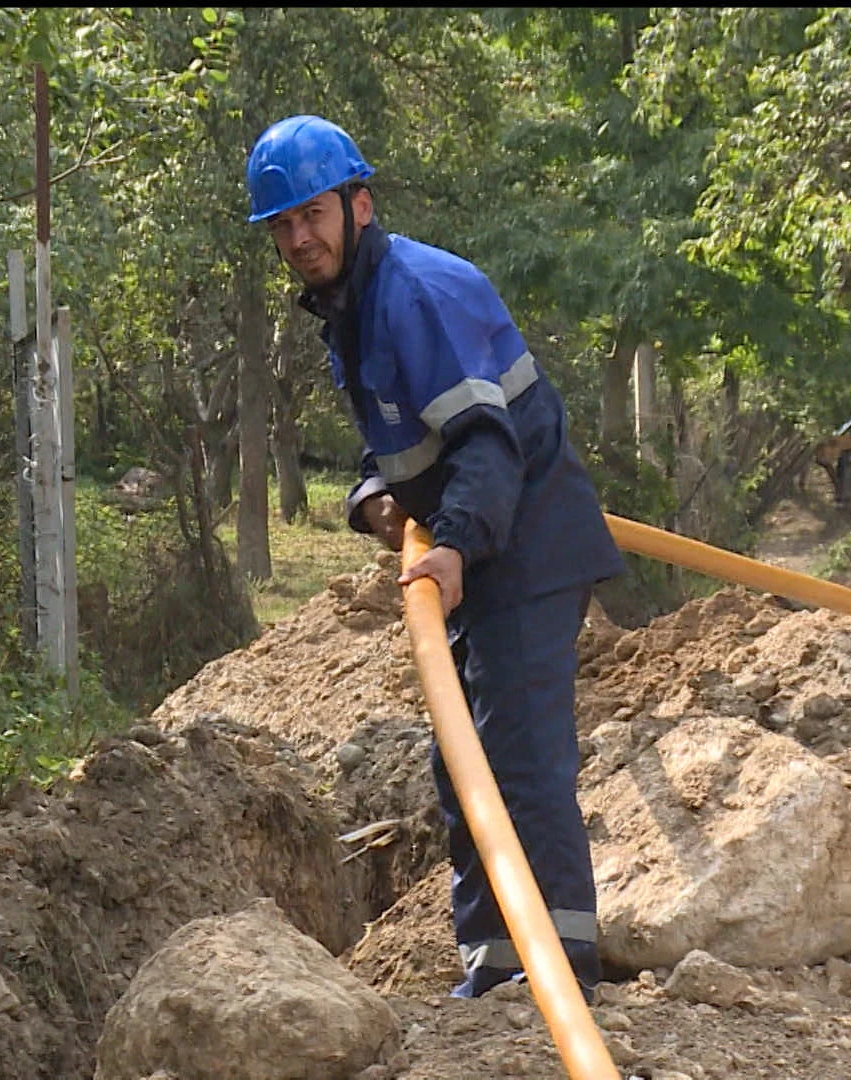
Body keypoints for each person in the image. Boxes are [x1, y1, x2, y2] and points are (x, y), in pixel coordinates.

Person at [245, 115, 626, 999]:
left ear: (358, 204)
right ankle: (497, 969)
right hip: (479, 552)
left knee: (521, 769)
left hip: (522, 550)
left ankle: (563, 976)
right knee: (465, 768)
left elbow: (488, 446)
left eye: (313, 214)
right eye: (282, 225)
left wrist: (449, 546)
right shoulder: (351, 302)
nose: (300, 237)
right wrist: (370, 498)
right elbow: (403, 442)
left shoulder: (415, 292)